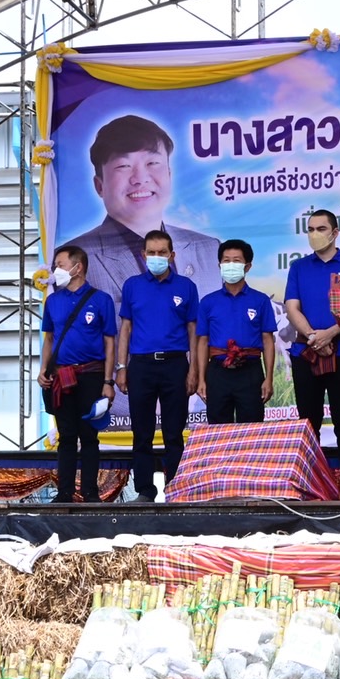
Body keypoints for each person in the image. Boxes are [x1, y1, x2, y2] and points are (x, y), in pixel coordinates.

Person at [66, 115, 220, 305]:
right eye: (124, 166)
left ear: (169, 175)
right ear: (100, 185)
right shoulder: (73, 260)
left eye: (152, 163)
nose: (140, 178)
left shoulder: (209, 249)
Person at [115, 229, 197, 502]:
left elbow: (193, 331)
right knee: (142, 433)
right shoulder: (132, 285)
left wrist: (194, 369)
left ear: (172, 255)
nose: (157, 257)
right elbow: (125, 328)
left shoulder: (186, 286)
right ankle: (145, 491)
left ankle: (175, 489)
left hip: (175, 364)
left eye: (163, 253)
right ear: (143, 255)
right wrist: (121, 367)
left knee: (174, 432)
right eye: (151, 252)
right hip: (140, 366)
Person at [285, 209, 340, 491]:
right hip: (306, 353)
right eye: (310, 229)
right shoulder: (299, 267)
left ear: (335, 232)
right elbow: (292, 307)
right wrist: (313, 336)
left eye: (321, 229)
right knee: (308, 422)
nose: (314, 234)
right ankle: (310, 484)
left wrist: (330, 334)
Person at [37, 244, 117, 503]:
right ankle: (64, 494)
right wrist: (42, 370)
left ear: (77, 267)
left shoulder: (101, 299)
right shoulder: (53, 301)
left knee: (89, 437)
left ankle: (91, 493)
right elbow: (49, 339)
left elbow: (109, 343)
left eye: (59, 265)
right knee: (67, 436)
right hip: (61, 377)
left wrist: (108, 381)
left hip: (92, 376)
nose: (55, 271)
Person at [196, 240, 276, 424]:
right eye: (226, 261)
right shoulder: (208, 302)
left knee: (251, 428)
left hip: (250, 371)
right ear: (219, 265)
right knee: (218, 429)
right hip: (218, 371)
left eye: (236, 261)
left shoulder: (261, 300)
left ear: (247, 266)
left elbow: (268, 340)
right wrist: (202, 379)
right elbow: (202, 342)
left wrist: (269, 378)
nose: (231, 265)